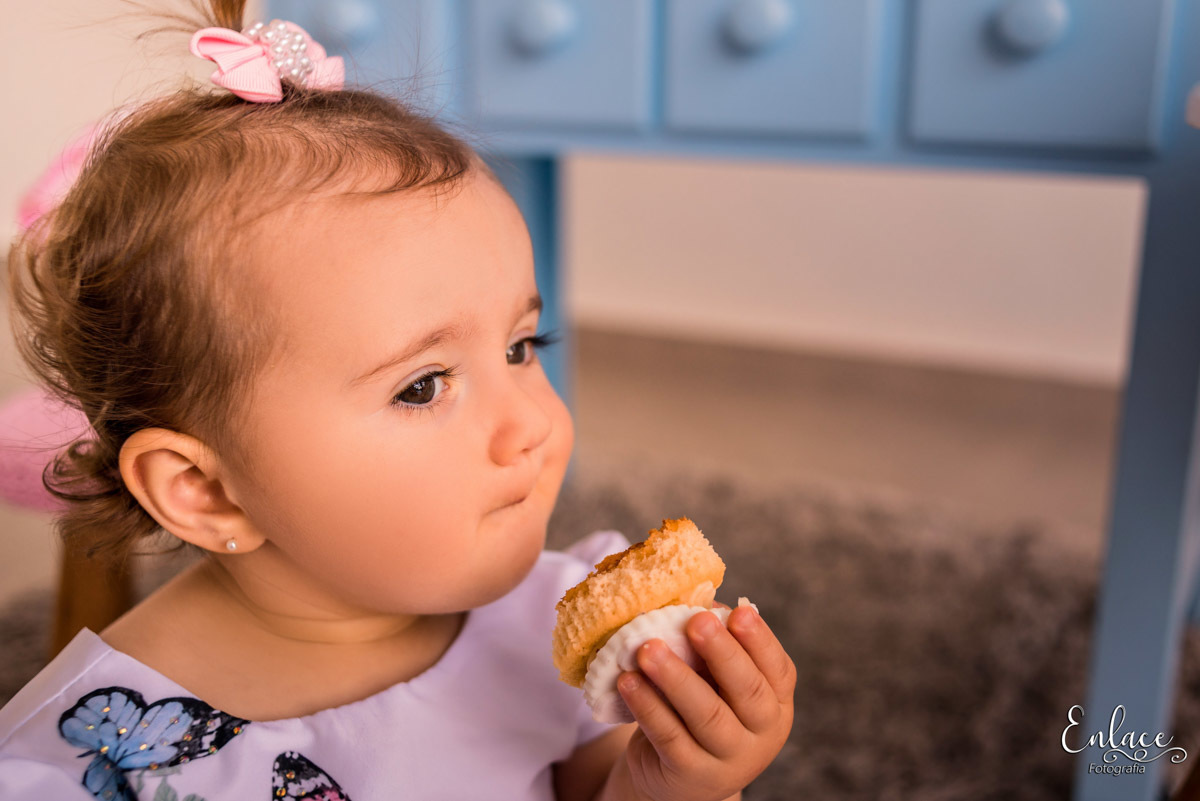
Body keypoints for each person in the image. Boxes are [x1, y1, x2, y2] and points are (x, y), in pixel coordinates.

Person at [0, 1, 796, 798]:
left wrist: (674, 778)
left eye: (521, 347)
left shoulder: (550, 625)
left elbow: (597, 782)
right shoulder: (111, 762)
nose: (531, 425)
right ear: (205, 491)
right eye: (422, 386)